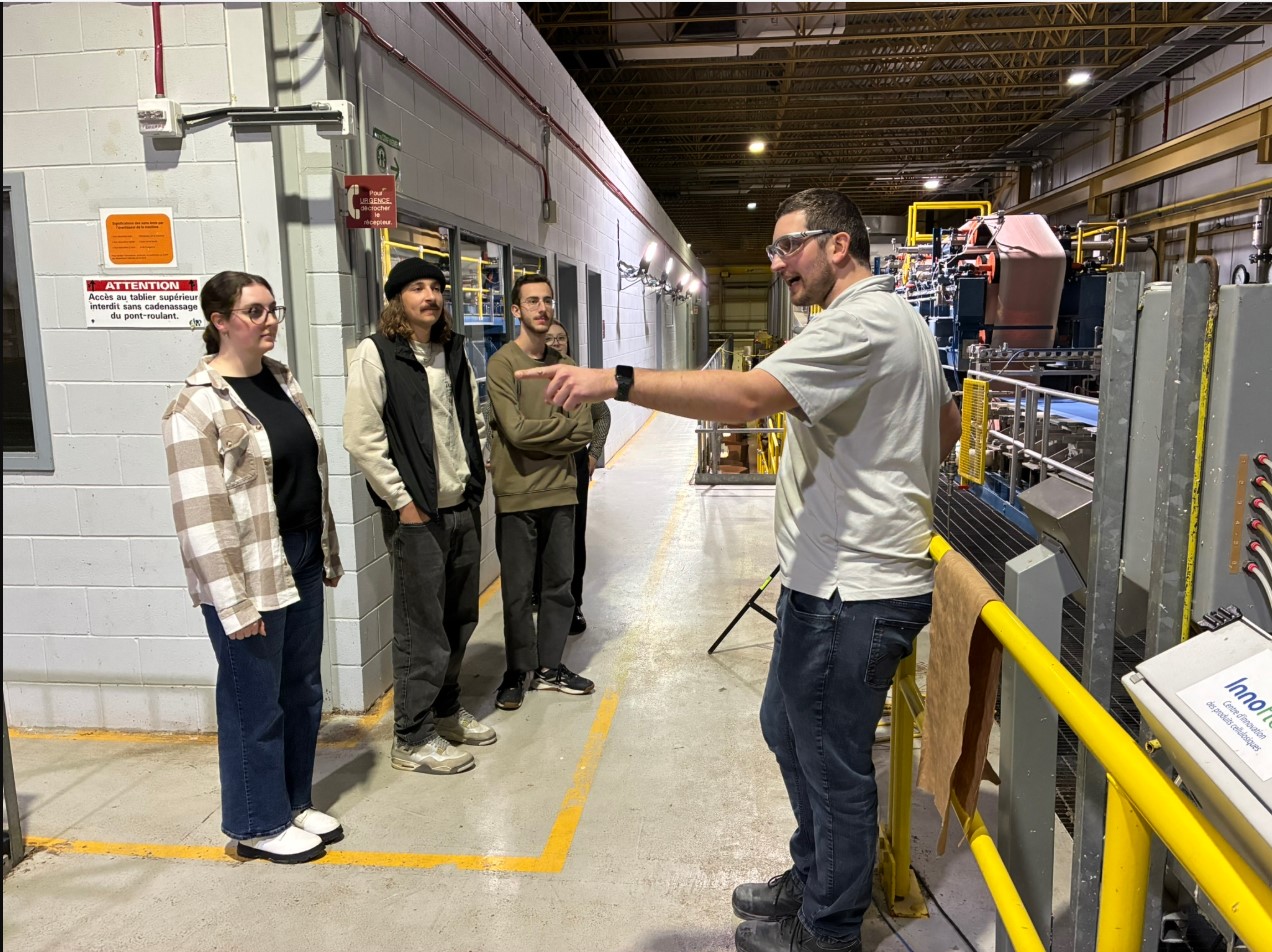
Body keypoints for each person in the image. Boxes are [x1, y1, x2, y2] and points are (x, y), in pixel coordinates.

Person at [518, 190, 962, 952]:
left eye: (789, 246)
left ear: (839, 245)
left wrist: (614, 380)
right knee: (785, 728)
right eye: (772, 249)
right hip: (826, 580)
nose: (778, 263)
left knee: (832, 766)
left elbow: (748, 396)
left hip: (852, 591)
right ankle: (816, 875)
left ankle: (828, 928)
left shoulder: (859, 322)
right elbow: (946, 426)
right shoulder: (902, 322)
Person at [162, 271, 345, 864]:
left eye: (273, 310)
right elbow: (200, 517)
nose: (269, 321)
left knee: (302, 690)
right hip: (247, 571)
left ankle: (292, 802)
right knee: (254, 701)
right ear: (219, 322)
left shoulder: (281, 380)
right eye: (255, 311)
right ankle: (255, 823)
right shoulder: (195, 406)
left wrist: (326, 549)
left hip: (300, 554)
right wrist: (232, 602)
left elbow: (307, 474)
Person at [343, 258, 494, 775]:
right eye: (416, 288)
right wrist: (401, 501)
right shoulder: (376, 353)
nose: (429, 296)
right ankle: (411, 736)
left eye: (435, 288)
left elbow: (470, 418)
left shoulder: (453, 350)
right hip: (417, 514)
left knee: (459, 618)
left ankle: (445, 711)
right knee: (421, 628)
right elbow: (362, 437)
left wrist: (476, 475)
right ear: (397, 300)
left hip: (460, 506)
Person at [486, 274, 595, 712]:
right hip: (517, 492)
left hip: (562, 492)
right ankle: (518, 670)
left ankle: (550, 667)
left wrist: (538, 436)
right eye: (532, 301)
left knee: (559, 585)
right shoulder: (502, 365)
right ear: (516, 310)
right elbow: (513, 430)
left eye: (547, 300)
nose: (542, 308)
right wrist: (558, 432)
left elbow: (583, 430)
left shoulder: (567, 365)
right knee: (517, 591)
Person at [539, 321, 611, 634]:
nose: (555, 343)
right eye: (549, 338)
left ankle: (572, 604)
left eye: (560, 338)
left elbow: (602, 415)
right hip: (536, 467)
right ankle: (541, 597)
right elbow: (493, 415)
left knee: (572, 535)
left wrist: (593, 454)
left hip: (574, 464)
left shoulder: (579, 379)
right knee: (539, 534)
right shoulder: (526, 377)